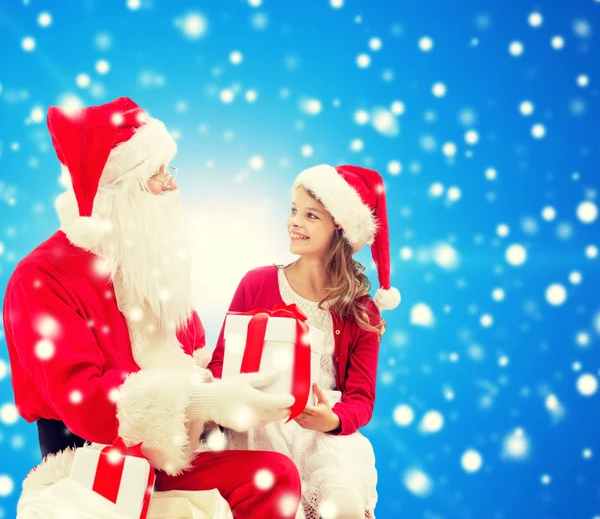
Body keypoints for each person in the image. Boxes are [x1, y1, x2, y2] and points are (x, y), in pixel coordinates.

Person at [3, 97, 301, 518]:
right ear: (116, 191)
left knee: (275, 476)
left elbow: (197, 359)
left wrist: (257, 386)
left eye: (169, 169)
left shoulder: (150, 264)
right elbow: (85, 403)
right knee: (272, 477)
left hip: (173, 455)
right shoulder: (41, 277)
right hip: (92, 465)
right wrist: (205, 401)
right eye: (155, 174)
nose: (172, 184)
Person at [208, 164, 401, 519]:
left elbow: (361, 399)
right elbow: (221, 361)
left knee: (341, 505)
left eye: (310, 215)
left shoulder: (362, 313)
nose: (294, 222)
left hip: (322, 437)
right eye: (293, 210)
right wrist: (229, 393)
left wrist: (330, 419)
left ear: (340, 229)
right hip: (260, 430)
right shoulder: (258, 283)